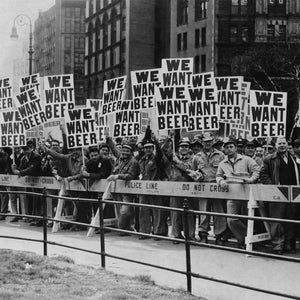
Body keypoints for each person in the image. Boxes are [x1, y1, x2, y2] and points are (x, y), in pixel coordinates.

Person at [216, 139, 260, 248]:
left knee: (246, 218)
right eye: (226, 147)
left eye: (231, 147)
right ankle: (245, 238)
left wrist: (251, 179)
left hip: (247, 194)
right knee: (231, 219)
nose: (229, 149)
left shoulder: (246, 160)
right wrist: (221, 181)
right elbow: (218, 175)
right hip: (232, 194)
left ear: (236, 148)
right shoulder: (222, 163)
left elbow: (256, 170)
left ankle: (246, 242)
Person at [260, 137, 299, 254]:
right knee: (277, 221)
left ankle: (289, 244)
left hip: (293, 194)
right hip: (277, 194)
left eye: (284, 143)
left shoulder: (294, 157)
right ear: (276, 145)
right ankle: (278, 245)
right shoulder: (269, 159)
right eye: (279, 143)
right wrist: (272, 187)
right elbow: (263, 174)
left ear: (287, 144)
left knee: (291, 219)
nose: (282, 145)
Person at [192, 132, 227, 244]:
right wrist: (197, 176)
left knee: (218, 212)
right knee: (203, 212)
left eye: (209, 141)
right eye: (205, 141)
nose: (207, 143)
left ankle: (219, 235)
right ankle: (203, 235)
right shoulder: (197, 157)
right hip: (203, 187)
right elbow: (193, 172)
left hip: (216, 186)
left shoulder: (220, 155)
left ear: (213, 141)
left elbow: (225, 171)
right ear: (202, 142)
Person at [161, 137, 196, 243]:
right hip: (175, 188)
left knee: (189, 213)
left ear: (189, 148)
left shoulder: (193, 159)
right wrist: (169, 139)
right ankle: (176, 235)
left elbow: (190, 170)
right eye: (182, 146)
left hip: (188, 188)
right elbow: (163, 151)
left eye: (186, 146)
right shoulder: (172, 157)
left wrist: (178, 162)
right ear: (179, 148)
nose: (184, 148)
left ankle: (190, 235)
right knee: (175, 213)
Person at [138, 127, 168, 240]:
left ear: (153, 148)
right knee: (143, 210)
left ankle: (158, 232)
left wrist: (155, 140)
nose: (148, 149)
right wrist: (147, 129)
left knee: (157, 210)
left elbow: (160, 153)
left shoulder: (156, 158)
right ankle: (144, 232)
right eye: (146, 148)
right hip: (143, 188)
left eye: (150, 147)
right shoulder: (141, 159)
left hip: (155, 187)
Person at [106, 136, 140, 234]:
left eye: (127, 151)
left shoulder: (133, 162)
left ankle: (121, 228)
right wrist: (108, 137)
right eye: (123, 150)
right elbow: (113, 148)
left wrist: (117, 176)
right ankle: (126, 229)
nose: (124, 152)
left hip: (128, 190)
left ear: (131, 152)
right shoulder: (120, 157)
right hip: (118, 189)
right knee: (121, 209)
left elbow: (130, 175)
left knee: (125, 211)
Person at [12, 140, 42, 225]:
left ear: (31, 148)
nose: (25, 151)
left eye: (27, 149)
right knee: (31, 199)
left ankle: (39, 219)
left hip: (38, 181)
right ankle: (34, 217)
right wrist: (15, 168)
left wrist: (19, 172)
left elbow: (32, 169)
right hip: (29, 182)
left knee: (38, 199)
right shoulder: (24, 158)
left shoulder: (37, 156)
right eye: (24, 149)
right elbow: (22, 167)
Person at [0, 148, 12, 221]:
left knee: (4, 195)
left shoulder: (5, 155)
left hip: (4, 177)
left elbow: (9, 151)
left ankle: (3, 212)